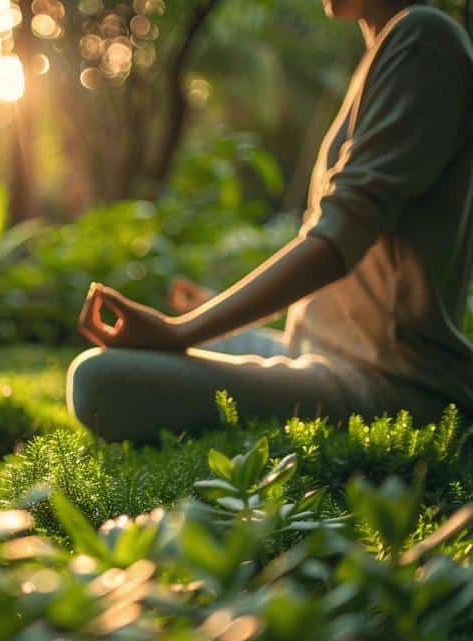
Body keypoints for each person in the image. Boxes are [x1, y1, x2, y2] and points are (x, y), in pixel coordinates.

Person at [66, 0, 473, 444]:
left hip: (389, 385)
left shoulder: (423, 39)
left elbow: (335, 240)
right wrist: (208, 310)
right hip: (308, 351)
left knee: (97, 379)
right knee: (131, 360)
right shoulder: (387, 49)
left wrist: (181, 331)